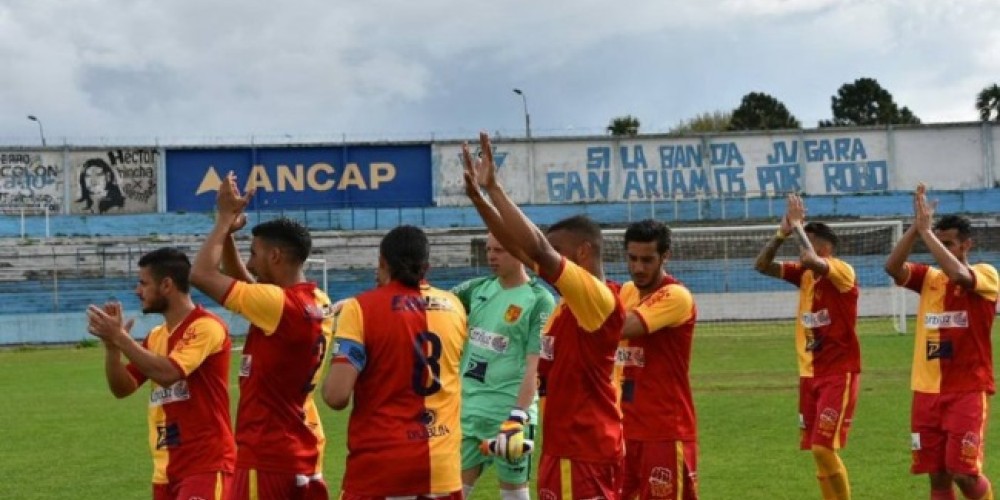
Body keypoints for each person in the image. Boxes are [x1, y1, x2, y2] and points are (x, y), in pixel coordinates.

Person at [462, 131, 625, 499]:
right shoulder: (567, 303)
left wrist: (495, 189)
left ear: (583, 252)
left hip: (585, 452)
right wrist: (479, 198)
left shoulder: (597, 298)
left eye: (558, 251)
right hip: (562, 448)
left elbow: (535, 247)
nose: (548, 259)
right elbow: (521, 246)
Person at [190, 172, 334, 500]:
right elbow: (243, 282)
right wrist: (228, 235)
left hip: (267, 453)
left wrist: (222, 218)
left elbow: (201, 274)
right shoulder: (316, 300)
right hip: (301, 448)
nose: (250, 263)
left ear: (275, 256)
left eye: (254, 254)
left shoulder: (277, 305)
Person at [322, 225, 468, 499]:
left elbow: (336, 396)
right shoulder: (454, 306)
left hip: (380, 468)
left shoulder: (360, 308)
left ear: (382, 262)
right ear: (427, 266)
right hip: (442, 471)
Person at [86, 247, 235, 500]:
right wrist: (112, 349)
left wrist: (121, 338)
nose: (137, 291)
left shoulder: (205, 326)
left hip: (205, 465)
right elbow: (123, 388)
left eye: (143, 283)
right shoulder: (156, 336)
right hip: (165, 470)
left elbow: (169, 373)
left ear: (166, 285)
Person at [884, 184, 998, 500]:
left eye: (949, 244)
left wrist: (927, 233)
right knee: (937, 475)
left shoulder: (986, 274)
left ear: (966, 245)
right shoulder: (929, 279)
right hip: (926, 391)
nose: (941, 249)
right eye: (938, 242)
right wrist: (915, 229)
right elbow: (892, 267)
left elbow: (960, 276)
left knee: (965, 474)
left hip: (967, 390)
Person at [753, 193, 860, 500]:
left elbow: (812, 259)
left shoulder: (842, 270)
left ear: (823, 248)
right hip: (809, 373)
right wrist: (781, 234)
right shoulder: (804, 276)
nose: (800, 249)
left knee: (822, 448)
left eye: (805, 242)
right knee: (817, 452)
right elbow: (761, 265)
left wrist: (798, 224)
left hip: (838, 372)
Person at [451, 233, 555, 500]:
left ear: (520, 253)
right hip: (468, 412)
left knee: (514, 495)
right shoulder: (477, 289)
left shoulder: (539, 300)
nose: (491, 256)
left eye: (499, 250)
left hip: (508, 416)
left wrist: (517, 416)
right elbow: (436, 303)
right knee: (450, 493)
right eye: (488, 250)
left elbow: (535, 365)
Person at [618, 219, 699, 500]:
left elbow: (622, 327)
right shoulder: (627, 291)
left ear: (665, 256)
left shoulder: (675, 295)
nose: (638, 268)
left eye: (647, 260)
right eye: (632, 259)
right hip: (624, 428)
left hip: (664, 431)